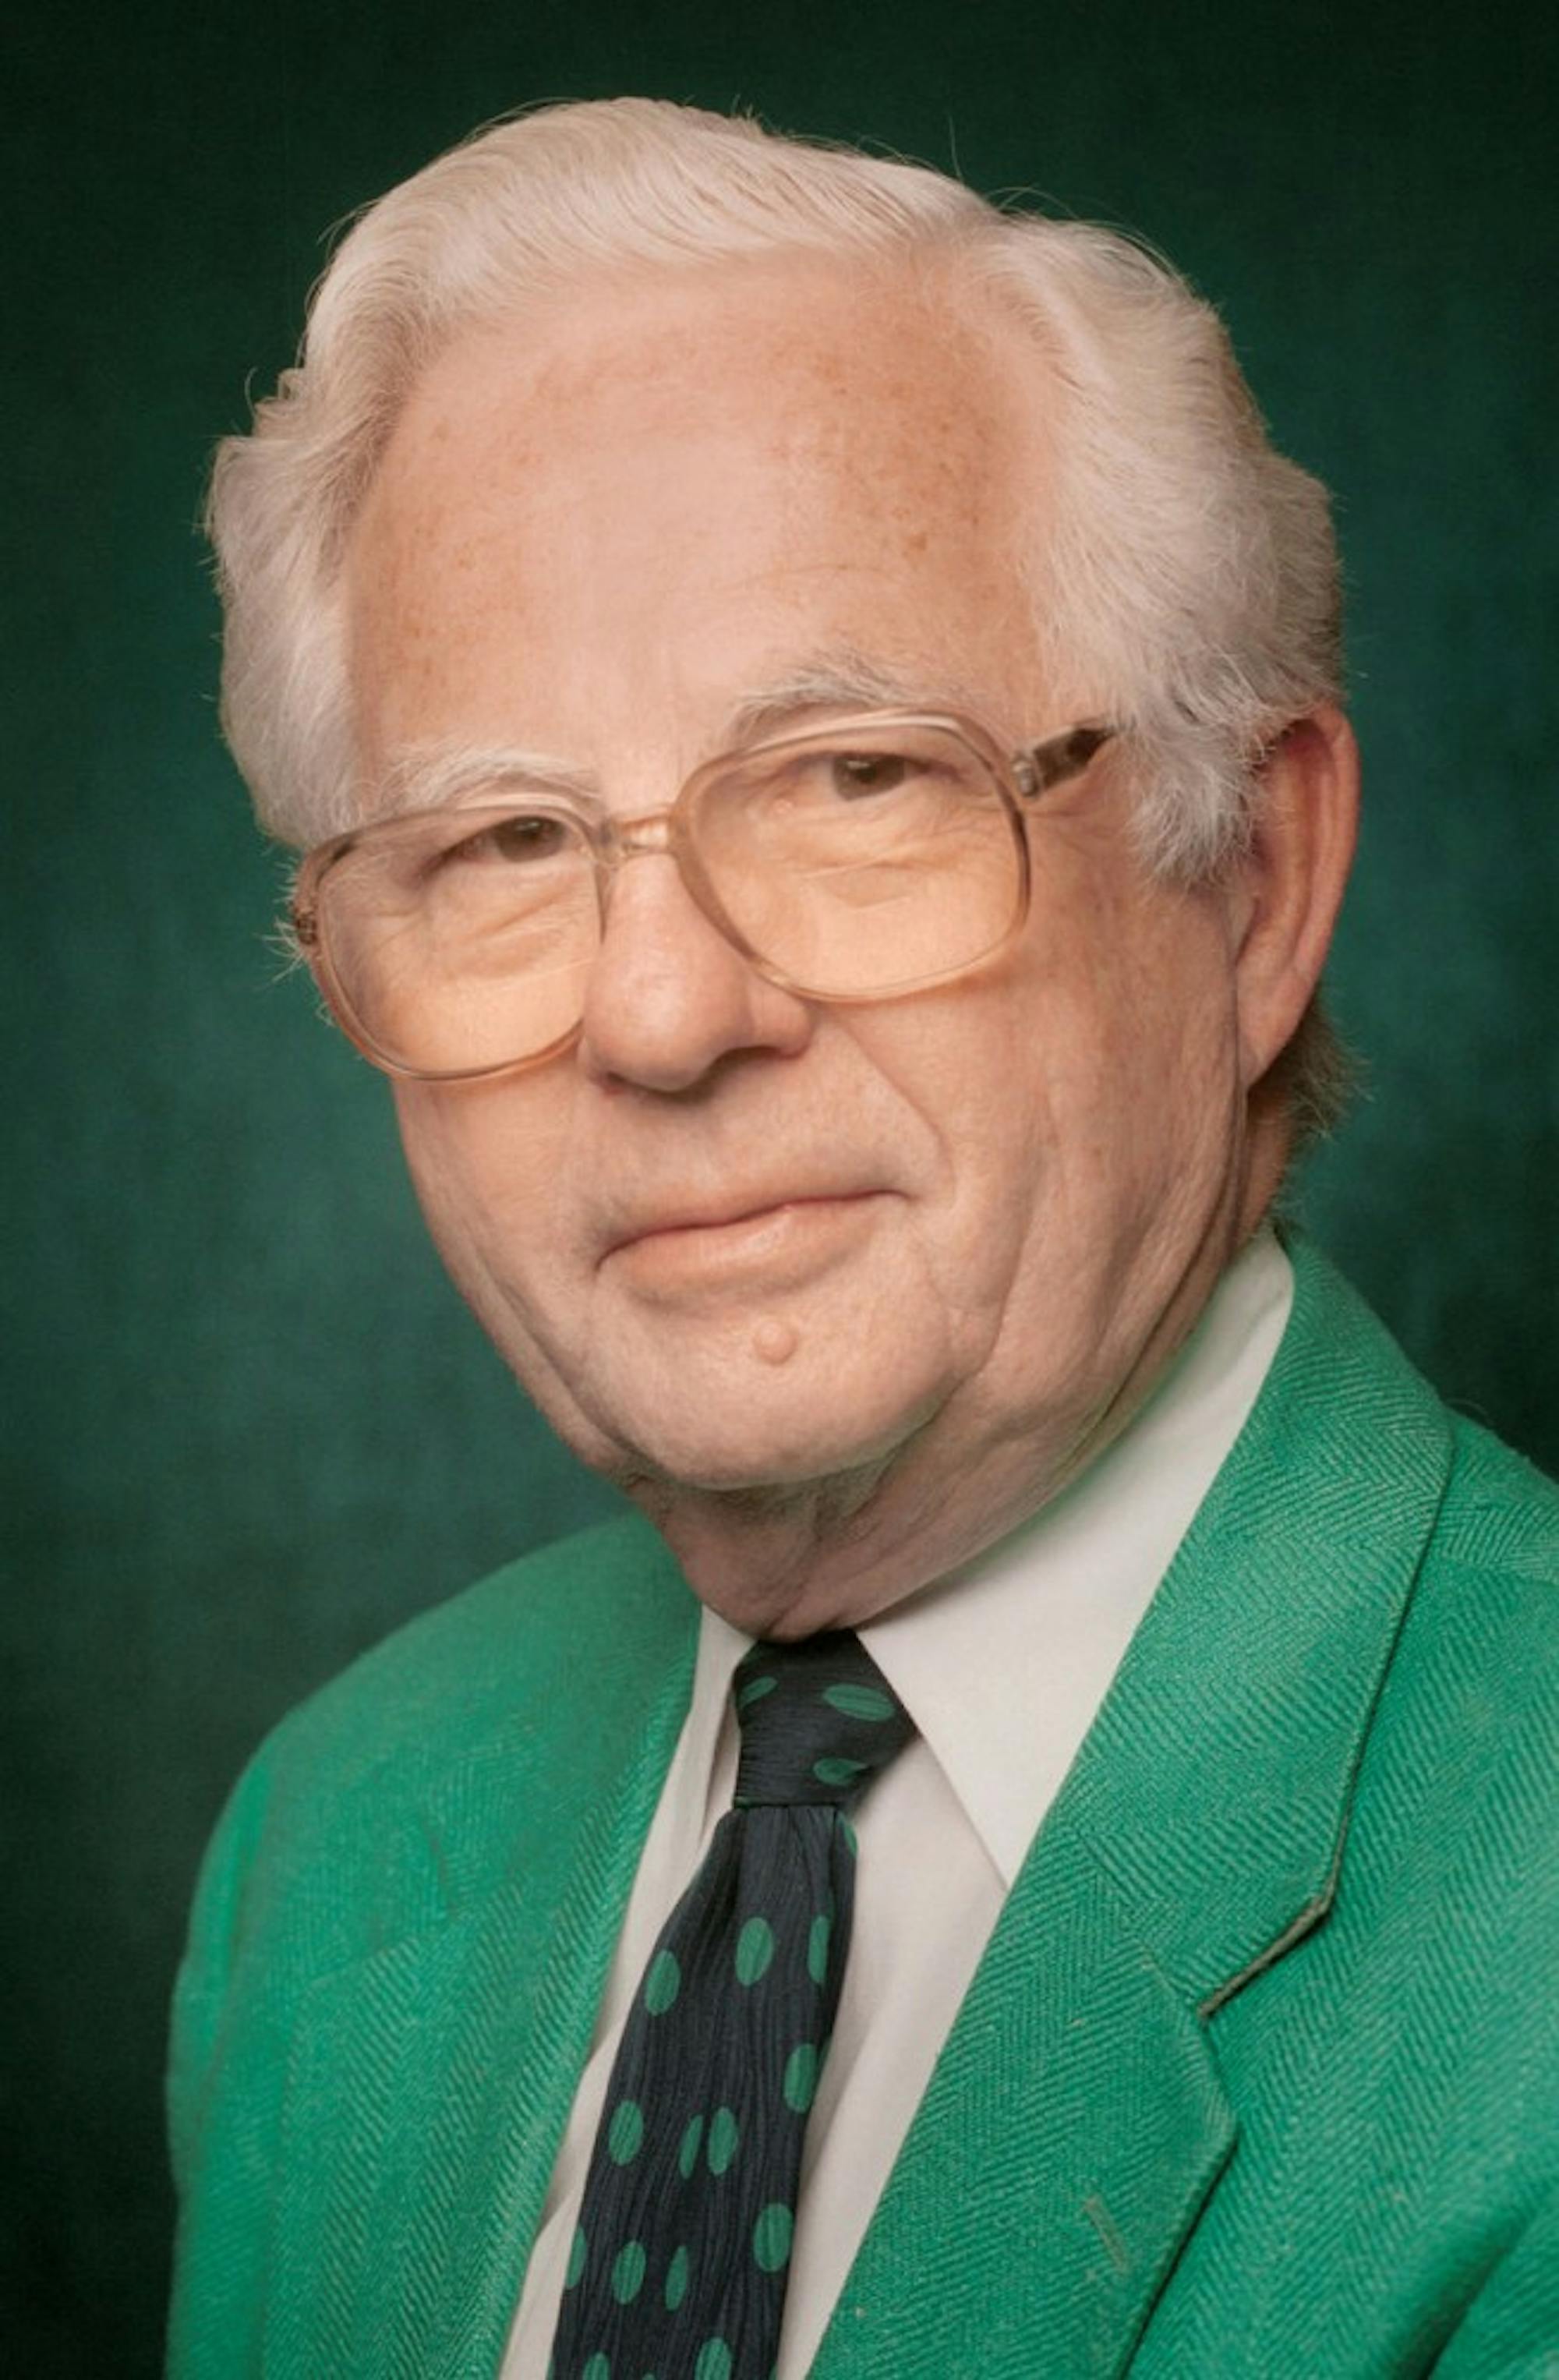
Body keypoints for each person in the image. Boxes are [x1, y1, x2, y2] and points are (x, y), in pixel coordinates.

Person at [166, 99, 1559, 2378]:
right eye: (501, 841)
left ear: (1252, 882)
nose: (662, 1014)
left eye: (855, 779)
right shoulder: (333, 1843)